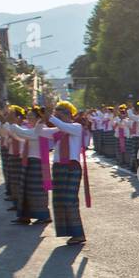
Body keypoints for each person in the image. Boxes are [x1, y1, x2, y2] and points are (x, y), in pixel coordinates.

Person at [47, 101, 88, 245]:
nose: (57, 116)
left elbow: (64, 126)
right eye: (56, 113)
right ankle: (69, 232)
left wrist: (51, 117)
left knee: (69, 200)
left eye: (60, 113)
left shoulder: (76, 127)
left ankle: (78, 234)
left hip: (71, 167)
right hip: (58, 168)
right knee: (59, 201)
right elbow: (39, 132)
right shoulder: (58, 131)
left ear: (69, 114)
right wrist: (41, 118)